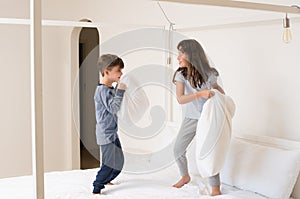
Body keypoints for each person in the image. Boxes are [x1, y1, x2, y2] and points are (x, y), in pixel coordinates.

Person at [172, 39, 225, 196]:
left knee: (210, 152)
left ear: (192, 55)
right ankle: (185, 176)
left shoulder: (210, 73)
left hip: (209, 119)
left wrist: (222, 98)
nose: (178, 57)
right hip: (192, 118)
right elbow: (180, 99)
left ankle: (215, 188)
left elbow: (217, 89)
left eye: (182, 53)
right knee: (178, 149)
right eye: (178, 53)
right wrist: (200, 94)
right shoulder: (181, 75)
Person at [92, 54, 127, 194]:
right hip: (106, 134)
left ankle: (106, 179)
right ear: (107, 72)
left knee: (119, 161)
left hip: (112, 132)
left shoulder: (109, 89)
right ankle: (97, 186)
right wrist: (121, 91)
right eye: (118, 70)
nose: (121, 73)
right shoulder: (102, 91)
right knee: (109, 163)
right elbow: (113, 108)